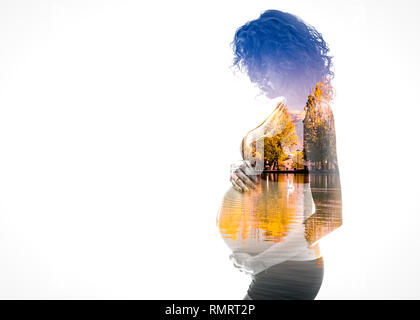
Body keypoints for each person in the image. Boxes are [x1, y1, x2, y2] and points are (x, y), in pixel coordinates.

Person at [219, 9, 342, 300]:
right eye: (252, 66)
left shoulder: (316, 115)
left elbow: (330, 215)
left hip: (290, 270)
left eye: (261, 65)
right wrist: (243, 173)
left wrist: (259, 261)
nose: (255, 76)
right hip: (276, 265)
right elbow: (276, 177)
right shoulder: (285, 111)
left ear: (286, 59)